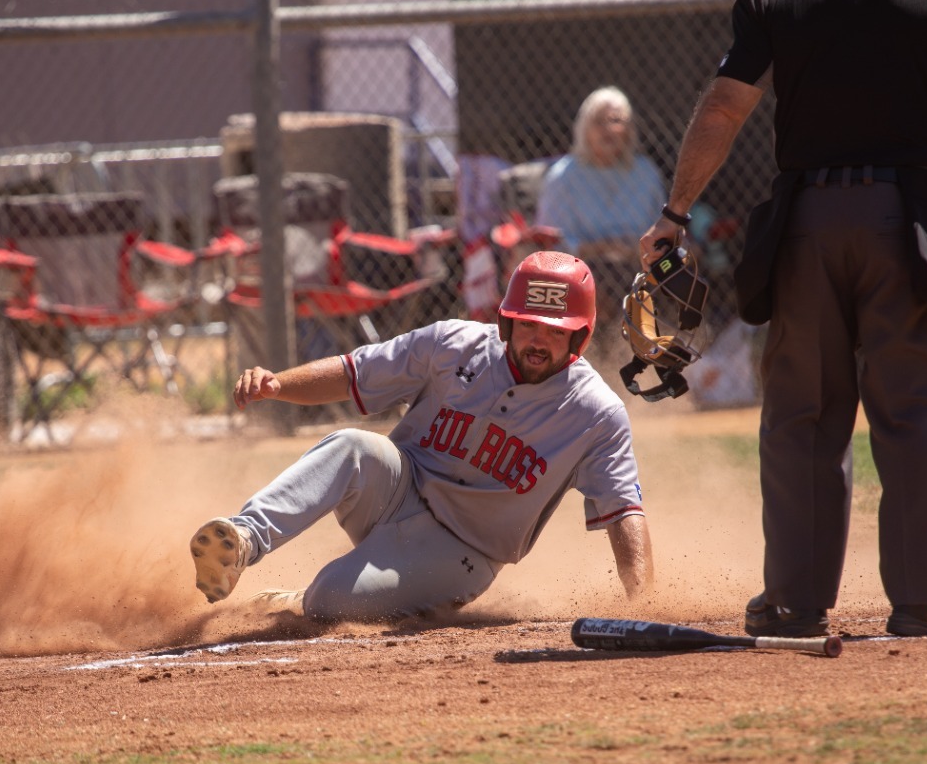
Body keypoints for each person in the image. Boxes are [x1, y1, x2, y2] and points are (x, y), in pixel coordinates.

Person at [640, 0, 927, 639]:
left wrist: (675, 212)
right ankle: (924, 599)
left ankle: (794, 603)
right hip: (903, 221)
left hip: (809, 224)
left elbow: (723, 107)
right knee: (916, 410)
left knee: (803, 412)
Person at [188, 250, 653, 622]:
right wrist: (278, 385)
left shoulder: (596, 413)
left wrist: (645, 607)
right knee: (353, 446)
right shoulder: (453, 344)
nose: (537, 340)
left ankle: (300, 598)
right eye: (527, 324)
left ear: (579, 337)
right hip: (396, 490)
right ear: (507, 321)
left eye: (554, 330)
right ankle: (244, 540)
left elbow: (624, 511)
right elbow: (354, 373)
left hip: (461, 552)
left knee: (327, 602)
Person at [535, 86, 668, 352]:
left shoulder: (646, 173)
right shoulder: (563, 177)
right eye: (598, 121)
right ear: (584, 129)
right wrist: (600, 248)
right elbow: (549, 243)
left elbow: (662, 228)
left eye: (616, 120)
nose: (607, 129)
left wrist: (641, 249)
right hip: (584, 269)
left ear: (629, 129)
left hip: (640, 265)